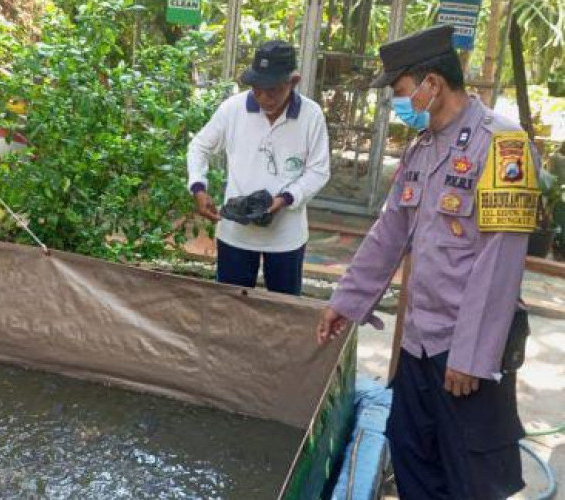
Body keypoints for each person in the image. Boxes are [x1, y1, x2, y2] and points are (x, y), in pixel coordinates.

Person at [316, 25, 539, 499]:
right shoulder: (423, 148)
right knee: (412, 454)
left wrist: (471, 357)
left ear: (431, 84)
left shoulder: (503, 145)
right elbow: (389, 231)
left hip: (466, 351)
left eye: (400, 92)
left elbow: (501, 259)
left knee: (470, 476)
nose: (398, 103)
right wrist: (347, 302)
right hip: (418, 344)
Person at [187, 40, 330, 296]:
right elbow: (199, 146)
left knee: (283, 311)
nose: (264, 98)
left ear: (293, 81)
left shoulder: (311, 116)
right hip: (235, 234)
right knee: (231, 309)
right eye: (257, 89)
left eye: (273, 90)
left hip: (286, 237)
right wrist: (198, 187)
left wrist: (285, 199)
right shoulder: (233, 109)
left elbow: (318, 170)